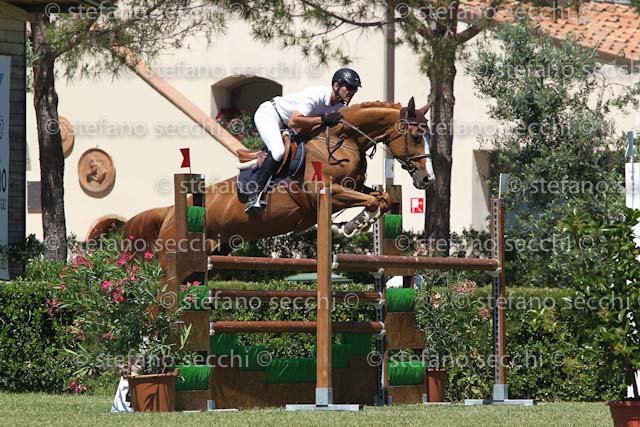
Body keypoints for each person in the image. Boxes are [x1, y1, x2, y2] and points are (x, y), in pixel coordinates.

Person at [245, 68, 362, 214]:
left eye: (355, 89)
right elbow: (294, 121)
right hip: (271, 114)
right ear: (336, 85)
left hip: (290, 126)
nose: (351, 92)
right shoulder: (317, 95)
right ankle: (255, 195)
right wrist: (323, 119)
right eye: (349, 87)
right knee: (278, 151)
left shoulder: (340, 107)